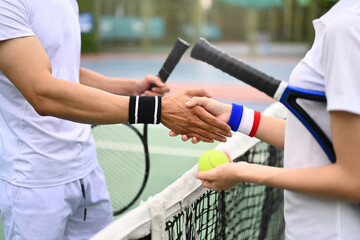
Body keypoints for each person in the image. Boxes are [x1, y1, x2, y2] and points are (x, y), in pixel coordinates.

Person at [0, 1, 231, 239]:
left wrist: (129, 88)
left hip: (87, 169)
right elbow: (42, 91)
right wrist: (157, 110)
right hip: (36, 180)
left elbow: (66, 70)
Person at [173, 0, 360, 239]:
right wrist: (232, 115)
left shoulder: (348, 28)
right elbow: (316, 138)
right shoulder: (344, 22)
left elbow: (353, 180)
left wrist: (242, 172)